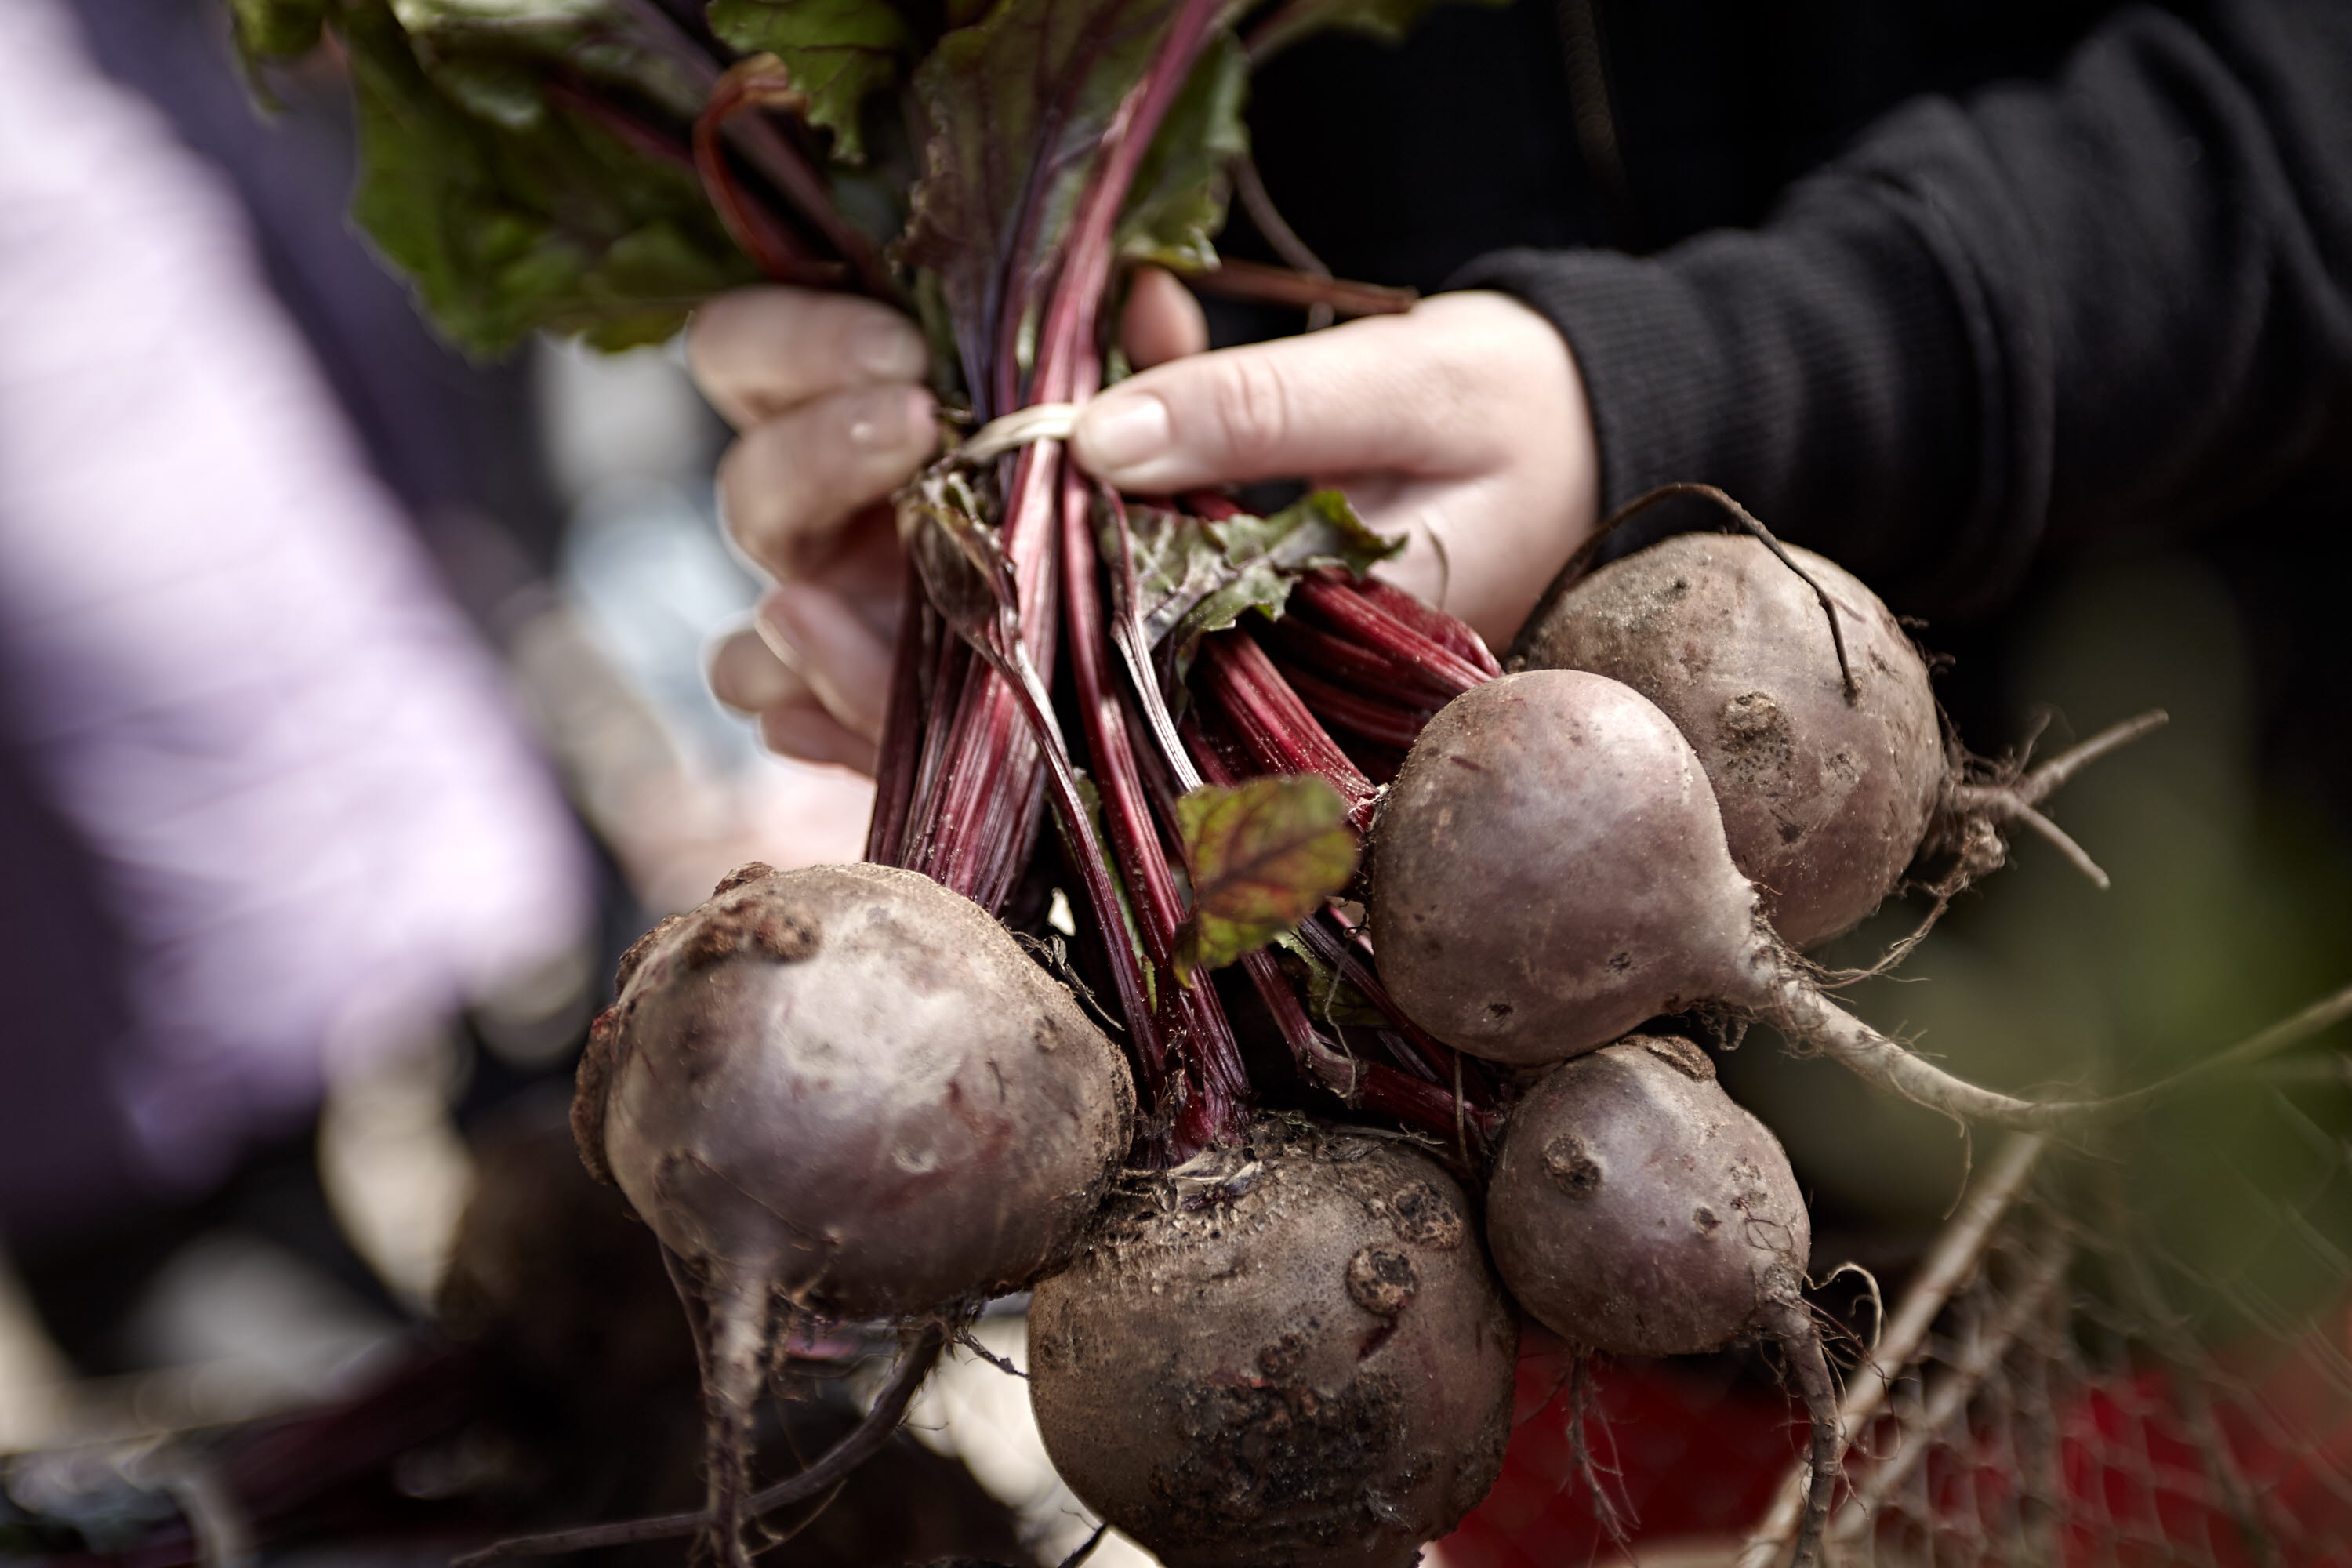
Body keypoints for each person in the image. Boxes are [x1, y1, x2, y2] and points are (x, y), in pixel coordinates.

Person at [688, 0, 2352, 807]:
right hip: (1471, 1187)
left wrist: (1710, 390)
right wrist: (881, 439)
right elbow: (832, 138)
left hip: (2252, 933)